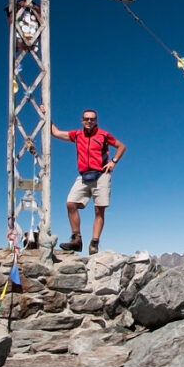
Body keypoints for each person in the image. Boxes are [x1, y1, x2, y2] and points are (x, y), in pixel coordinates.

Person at [42, 105, 126, 255]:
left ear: (96, 121)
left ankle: (94, 243)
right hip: (84, 175)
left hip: (101, 174)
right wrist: (46, 114)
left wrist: (113, 161)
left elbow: (121, 146)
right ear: (82, 121)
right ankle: (76, 239)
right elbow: (55, 132)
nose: (89, 121)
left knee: (99, 210)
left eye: (92, 119)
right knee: (70, 203)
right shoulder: (77, 135)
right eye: (86, 119)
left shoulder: (103, 135)